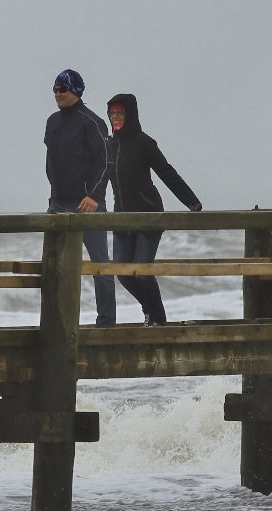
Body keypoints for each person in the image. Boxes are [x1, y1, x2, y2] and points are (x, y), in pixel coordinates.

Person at [106, 94, 202, 326]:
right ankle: (150, 310)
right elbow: (96, 177)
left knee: (143, 270)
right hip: (122, 217)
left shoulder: (143, 143)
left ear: (130, 115)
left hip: (148, 213)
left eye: (119, 113)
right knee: (122, 271)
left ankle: (157, 320)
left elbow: (166, 172)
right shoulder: (109, 146)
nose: (115, 118)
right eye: (111, 114)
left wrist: (191, 201)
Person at [44, 69, 115, 327]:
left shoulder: (92, 122)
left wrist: (94, 196)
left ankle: (106, 322)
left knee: (100, 266)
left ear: (75, 90)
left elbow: (106, 161)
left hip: (87, 206)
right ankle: (57, 322)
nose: (57, 94)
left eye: (62, 89)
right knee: (55, 266)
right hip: (58, 204)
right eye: (54, 90)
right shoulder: (52, 121)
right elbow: (52, 162)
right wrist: (53, 198)